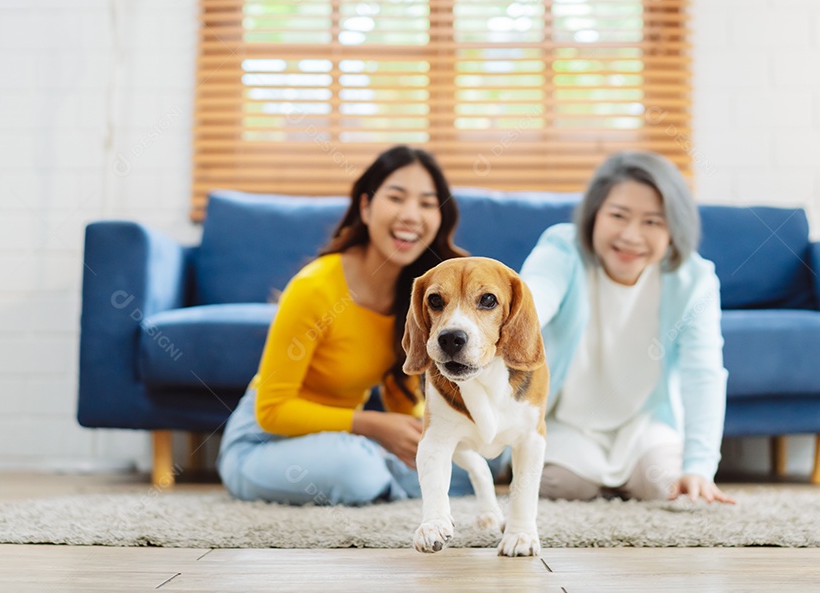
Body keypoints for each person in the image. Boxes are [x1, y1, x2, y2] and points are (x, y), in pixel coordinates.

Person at [216, 145, 470, 505]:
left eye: (428, 204)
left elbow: (400, 391)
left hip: (343, 441)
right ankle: (382, 479)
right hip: (262, 446)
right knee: (356, 469)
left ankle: (387, 480)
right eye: (396, 198)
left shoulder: (417, 296)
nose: (412, 215)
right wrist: (373, 426)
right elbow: (271, 411)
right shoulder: (314, 287)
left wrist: (417, 432)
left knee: (473, 457)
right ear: (365, 207)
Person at [520, 151, 735, 504]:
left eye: (653, 222)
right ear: (594, 215)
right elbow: (533, 300)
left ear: (673, 229)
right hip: (567, 419)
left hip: (645, 422)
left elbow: (704, 374)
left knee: (664, 486)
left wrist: (699, 466)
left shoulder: (694, 278)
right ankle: (599, 481)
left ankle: (624, 481)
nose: (631, 236)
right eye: (618, 215)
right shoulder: (562, 247)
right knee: (565, 487)